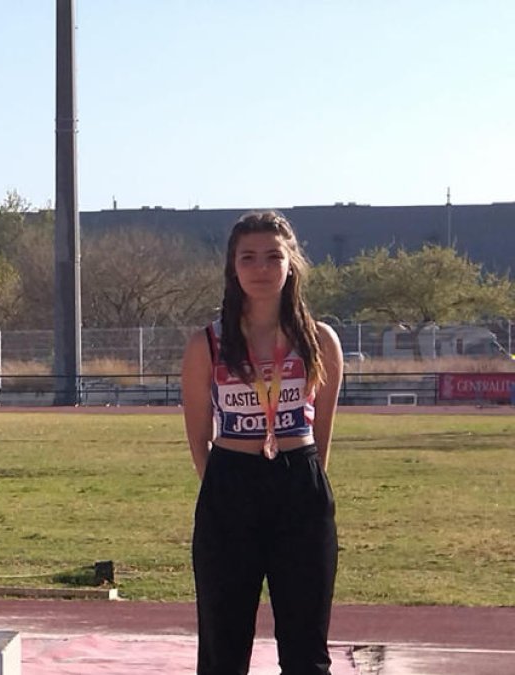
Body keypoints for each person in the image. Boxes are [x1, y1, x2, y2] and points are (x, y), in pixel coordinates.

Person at [181, 211, 344, 674]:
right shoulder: (207, 344)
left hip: (301, 490)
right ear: (233, 266)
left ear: (291, 263)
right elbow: (198, 435)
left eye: (273, 256)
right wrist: (226, 485)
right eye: (248, 257)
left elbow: (324, 430)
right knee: (223, 646)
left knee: (307, 648)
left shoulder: (320, 341)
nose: (261, 268)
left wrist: (303, 484)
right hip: (230, 488)